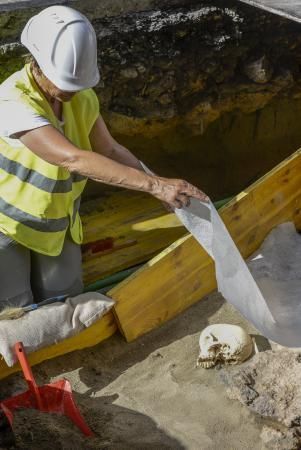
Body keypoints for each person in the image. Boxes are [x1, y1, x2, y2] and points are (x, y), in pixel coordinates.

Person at [0, 5, 208, 309]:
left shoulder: (82, 98)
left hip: (58, 224)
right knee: (14, 308)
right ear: (38, 64)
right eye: (66, 82)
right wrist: (154, 187)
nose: (72, 91)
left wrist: (157, 181)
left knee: (64, 299)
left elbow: (109, 149)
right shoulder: (11, 101)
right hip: (8, 228)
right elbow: (72, 158)